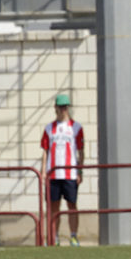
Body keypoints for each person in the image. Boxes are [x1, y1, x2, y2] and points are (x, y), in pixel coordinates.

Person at [41, 93, 84, 246]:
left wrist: (80, 171)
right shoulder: (49, 128)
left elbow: (80, 151)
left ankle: (73, 235)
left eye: (65, 107)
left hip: (70, 172)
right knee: (54, 206)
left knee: (72, 205)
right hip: (53, 173)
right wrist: (43, 172)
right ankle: (55, 237)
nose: (63, 110)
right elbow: (45, 151)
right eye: (61, 107)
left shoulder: (76, 127)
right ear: (55, 108)